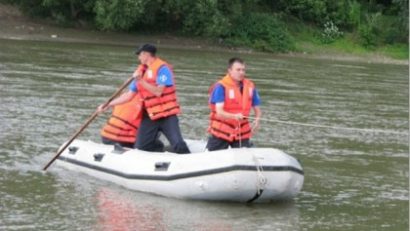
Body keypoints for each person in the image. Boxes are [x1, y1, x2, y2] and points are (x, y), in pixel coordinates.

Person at [98, 44, 190, 154]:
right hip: (150, 116)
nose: (139, 58)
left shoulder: (163, 69)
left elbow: (158, 92)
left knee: (178, 143)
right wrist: (108, 104)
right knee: (140, 147)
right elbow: (129, 96)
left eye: (140, 55)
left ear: (146, 54)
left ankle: (189, 160)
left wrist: (140, 81)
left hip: (166, 116)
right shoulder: (140, 72)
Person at [206, 57, 262, 151]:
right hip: (222, 131)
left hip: (241, 132)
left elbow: (257, 109)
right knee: (213, 156)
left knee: (245, 158)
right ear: (230, 71)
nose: (241, 72)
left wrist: (257, 120)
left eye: (243, 70)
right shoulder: (221, 87)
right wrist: (234, 116)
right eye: (238, 70)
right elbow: (219, 112)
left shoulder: (250, 86)